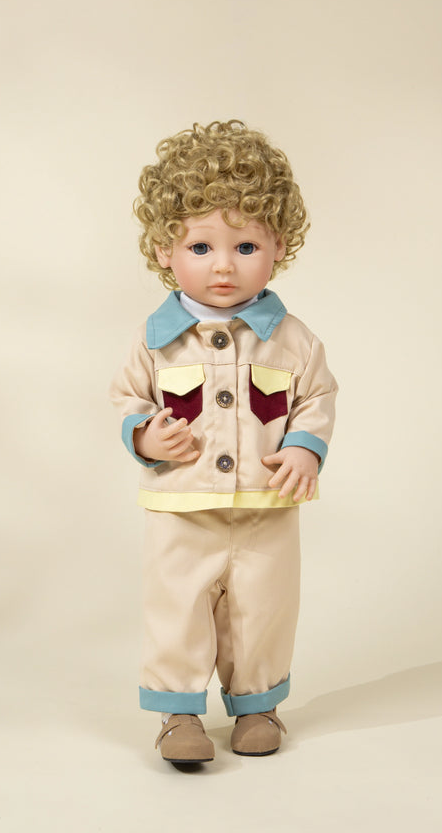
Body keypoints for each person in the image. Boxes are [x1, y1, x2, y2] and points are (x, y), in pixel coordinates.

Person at [110, 120, 338, 763]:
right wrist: (145, 435)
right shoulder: (154, 340)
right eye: (201, 246)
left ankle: (258, 706)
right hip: (181, 510)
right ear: (165, 249)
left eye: (245, 246)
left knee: (263, 608)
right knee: (177, 606)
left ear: (278, 245)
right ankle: (178, 716)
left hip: (267, 506)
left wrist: (304, 447)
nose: (223, 265)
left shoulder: (293, 339)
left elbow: (317, 396)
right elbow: (128, 397)